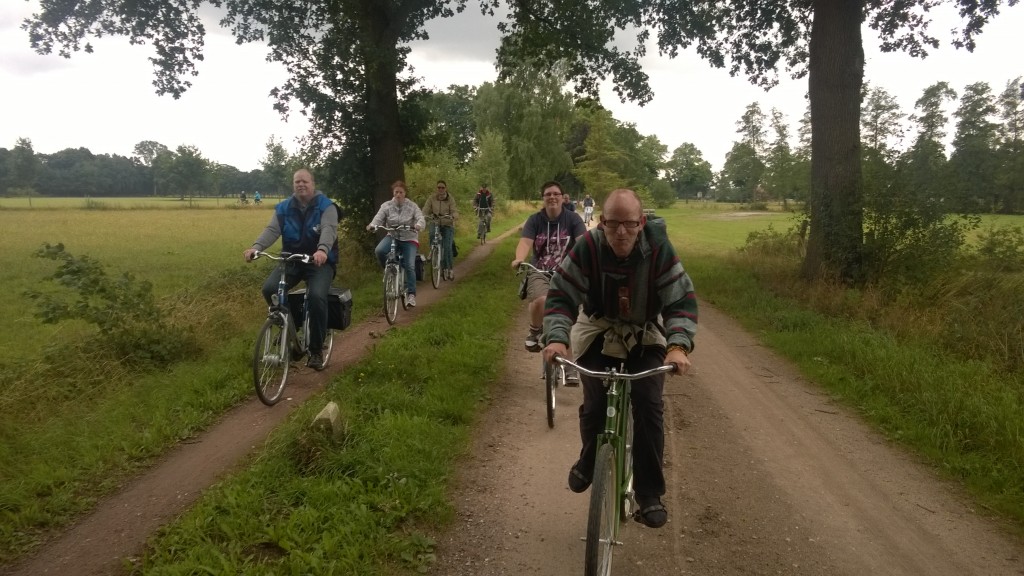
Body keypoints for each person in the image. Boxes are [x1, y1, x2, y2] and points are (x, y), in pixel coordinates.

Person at [540, 188, 697, 529]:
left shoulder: (658, 248)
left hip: (645, 333)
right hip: (598, 328)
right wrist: (557, 338)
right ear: (601, 222)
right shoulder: (588, 246)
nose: (621, 232)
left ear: (641, 223)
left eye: (629, 224)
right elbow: (562, 294)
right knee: (595, 399)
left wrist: (678, 345)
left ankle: (649, 492)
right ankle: (590, 457)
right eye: (613, 224)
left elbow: (680, 300)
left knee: (649, 402)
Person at [243, 168, 340, 371]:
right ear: (293, 185)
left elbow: (329, 230)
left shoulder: (326, 206)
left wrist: (322, 250)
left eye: (304, 181)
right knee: (270, 289)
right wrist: (256, 247)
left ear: (313, 184)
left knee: (316, 297)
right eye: (297, 181)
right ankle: (290, 327)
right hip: (291, 260)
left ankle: (315, 350)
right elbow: (272, 230)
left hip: (319, 262)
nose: (300, 184)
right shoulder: (284, 208)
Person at [510, 180, 587, 382]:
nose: (552, 197)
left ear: (562, 197)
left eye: (556, 194)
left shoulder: (573, 219)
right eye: (548, 194)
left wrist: (589, 260)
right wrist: (519, 259)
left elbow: (583, 242)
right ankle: (535, 331)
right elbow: (525, 242)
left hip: (567, 273)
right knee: (541, 300)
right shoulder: (535, 220)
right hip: (540, 270)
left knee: (567, 317)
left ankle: (569, 367)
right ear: (543, 198)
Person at [367, 180, 426, 307]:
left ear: (405, 193)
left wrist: (418, 225)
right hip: (392, 236)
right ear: (393, 193)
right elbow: (378, 218)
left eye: (401, 192)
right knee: (380, 250)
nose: (398, 195)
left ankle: (411, 294)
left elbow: (420, 218)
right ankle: (391, 272)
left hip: (409, 238)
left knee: (409, 265)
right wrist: (372, 225)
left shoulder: (412, 206)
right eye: (396, 192)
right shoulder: (386, 206)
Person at [422, 179, 458, 280]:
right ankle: (433, 249)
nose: (440, 189)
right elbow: (426, 208)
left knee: (447, 247)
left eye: (442, 187)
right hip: (436, 222)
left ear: (446, 188)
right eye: (439, 187)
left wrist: (453, 216)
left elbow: (454, 210)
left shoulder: (450, 199)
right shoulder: (432, 198)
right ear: (436, 188)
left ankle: (449, 269)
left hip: (447, 224)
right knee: (432, 233)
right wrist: (423, 215)